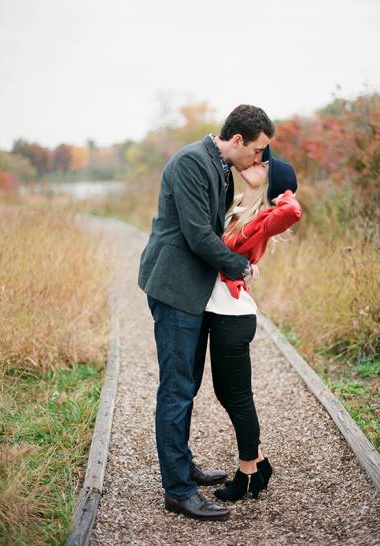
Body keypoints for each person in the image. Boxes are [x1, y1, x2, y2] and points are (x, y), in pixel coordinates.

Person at [138, 105, 275, 521]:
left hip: (192, 291)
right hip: (176, 287)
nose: (259, 160)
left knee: (188, 385)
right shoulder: (190, 163)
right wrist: (240, 267)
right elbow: (199, 235)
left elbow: (220, 225)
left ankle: (185, 466)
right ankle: (178, 490)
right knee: (177, 389)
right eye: (257, 151)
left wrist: (253, 189)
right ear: (237, 140)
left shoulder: (216, 164)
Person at [205, 148, 302, 502]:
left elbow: (292, 210)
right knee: (224, 392)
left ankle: (247, 471)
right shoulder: (236, 209)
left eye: (265, 165)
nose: (255, 163)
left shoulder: (263, 215)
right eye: (258, 158)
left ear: (272, 180)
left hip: (234, 316)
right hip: (221, 313)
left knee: (239, 397)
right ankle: (260, 462)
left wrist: (284, 193)